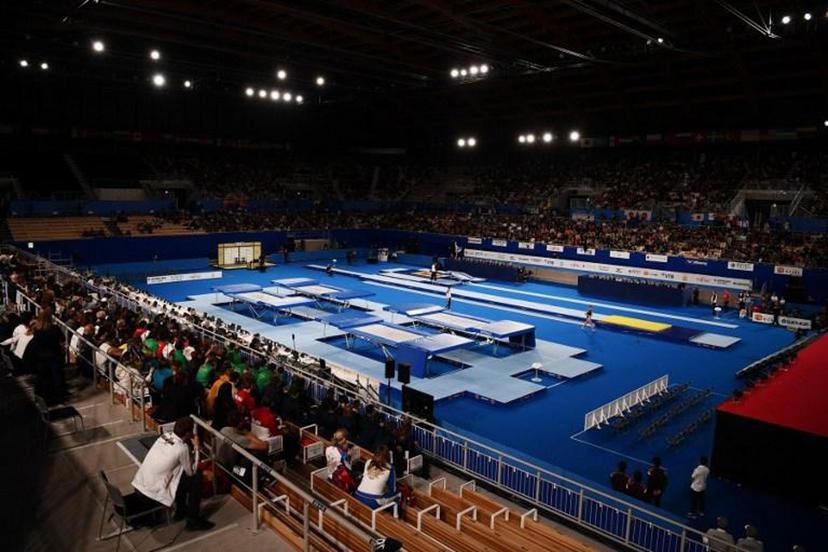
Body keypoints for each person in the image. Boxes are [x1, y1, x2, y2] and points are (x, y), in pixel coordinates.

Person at [131, 417, 214, 531]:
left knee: (181, 477)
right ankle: (192, 520)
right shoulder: (182, 448)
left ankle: (181, 510)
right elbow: (191, 472)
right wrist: (196, 448)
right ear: (188, 433)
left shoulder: (164, 436)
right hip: (153, 491)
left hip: (141, 482)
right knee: (196, 479)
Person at [325, 428, 355, 492]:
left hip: (329, 475)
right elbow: (349, 469)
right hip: (338, 480)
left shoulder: (328, 449)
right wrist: (349, 456)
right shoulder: (342, 455)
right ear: (344, 439)